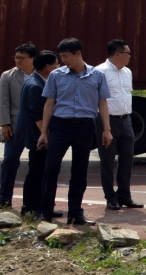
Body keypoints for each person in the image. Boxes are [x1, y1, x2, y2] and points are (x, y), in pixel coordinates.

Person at [37, 38, 113, 226]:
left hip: (85, 126)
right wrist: (44, 131)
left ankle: (75, 213)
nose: (63, 60)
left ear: (78, 53)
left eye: (66, 56)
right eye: (61, 57)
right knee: (51, 168)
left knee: (80, 171)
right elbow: (49, 103)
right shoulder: (56, 75)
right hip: (60, 125)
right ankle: (45, 211)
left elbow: (102, 103)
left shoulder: (97, 75)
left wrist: (107, 130)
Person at [97, 39, 143, 210]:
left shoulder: (127, 72)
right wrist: (105, 127)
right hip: (107, 120)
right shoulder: (100, 72)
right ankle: (110, 197)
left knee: (127, 159)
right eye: (128, 53)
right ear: (118, 54)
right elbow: (97, 99)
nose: (130, 57)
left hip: (126, 119)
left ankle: (124, 195)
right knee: (107, 160)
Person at [0, 42, 38, 207]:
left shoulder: (42, 75)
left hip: (36, 125)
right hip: (14, 125)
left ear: (33, 59)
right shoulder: (8, 76)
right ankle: (4, 198)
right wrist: (5, 124)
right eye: (16, 57)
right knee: (10, 160)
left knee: (38, 163)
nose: (18, 60)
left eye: (22, 58)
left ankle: (35, 201)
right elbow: (3, 102)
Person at [18, 51, 57, 217]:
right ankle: (30, 206)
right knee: (37, 172)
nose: (58, 68)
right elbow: (36, 113)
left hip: (35, 135)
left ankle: (37, 205)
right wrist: (45, 133)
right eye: (56, 65)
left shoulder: (35, 81)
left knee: (38, 171)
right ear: (48, 67)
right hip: (37, 137)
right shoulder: (35, 85)